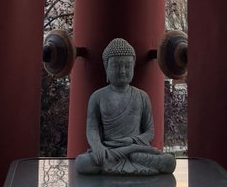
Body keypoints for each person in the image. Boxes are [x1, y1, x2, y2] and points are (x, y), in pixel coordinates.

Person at [75, 37, 176, 176]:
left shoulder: (142, 96)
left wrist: (131, 142)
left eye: (127, 66)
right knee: (82, 163)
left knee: (169, 162)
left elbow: (149, 132)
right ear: (106, 67)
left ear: (133, 67)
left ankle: (123, 158)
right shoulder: (97, 97)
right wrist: (97, 146)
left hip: (136, 151)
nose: (122, 71)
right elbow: (92, 128)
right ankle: (126, 159)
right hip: (109, 150)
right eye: (116, 66)